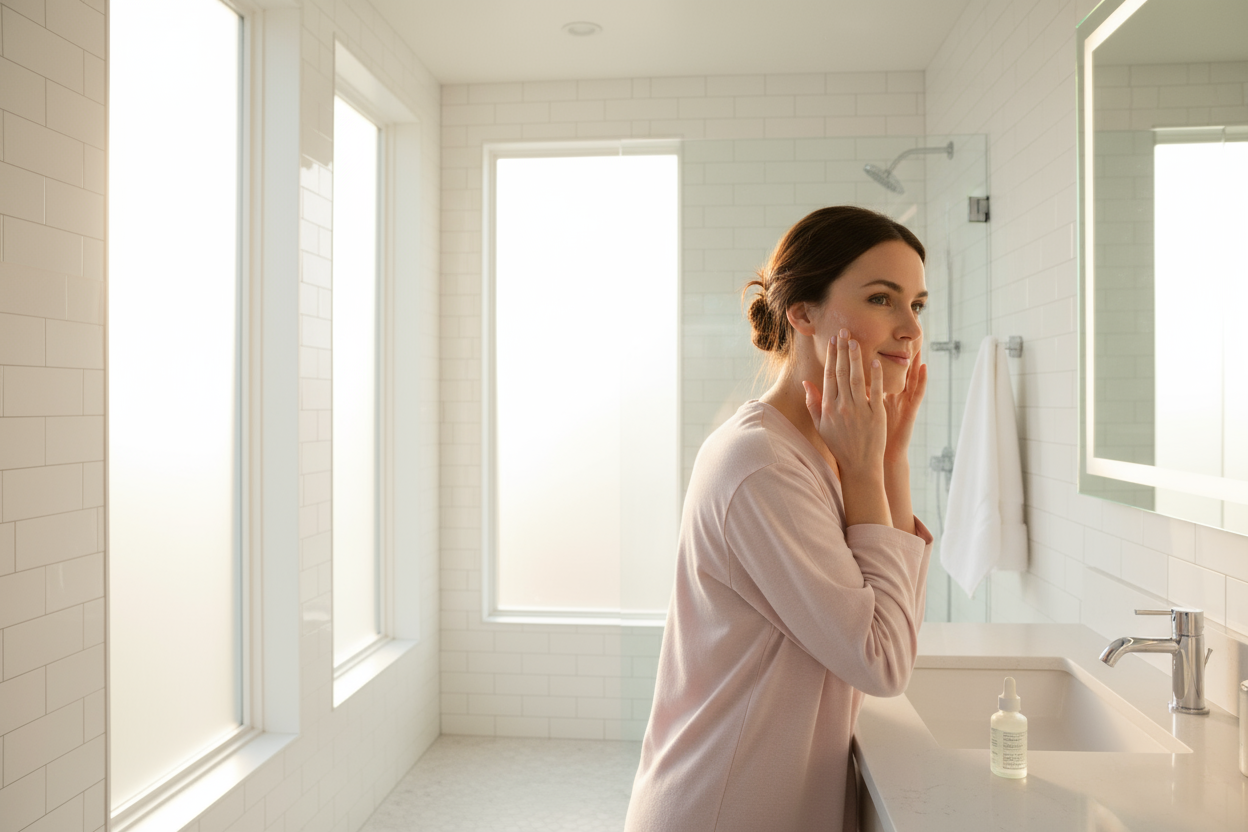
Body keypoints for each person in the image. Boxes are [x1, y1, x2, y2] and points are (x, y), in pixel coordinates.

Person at [624, 206, 934, 832]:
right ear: (803, 313)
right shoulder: (762, 464)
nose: (909, 329)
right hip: (722, 804)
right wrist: (869, 470)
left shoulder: (823, 446)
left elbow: (889, 621)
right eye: (882, 299)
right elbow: (882, 661)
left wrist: (890, 456)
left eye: (919, 306)